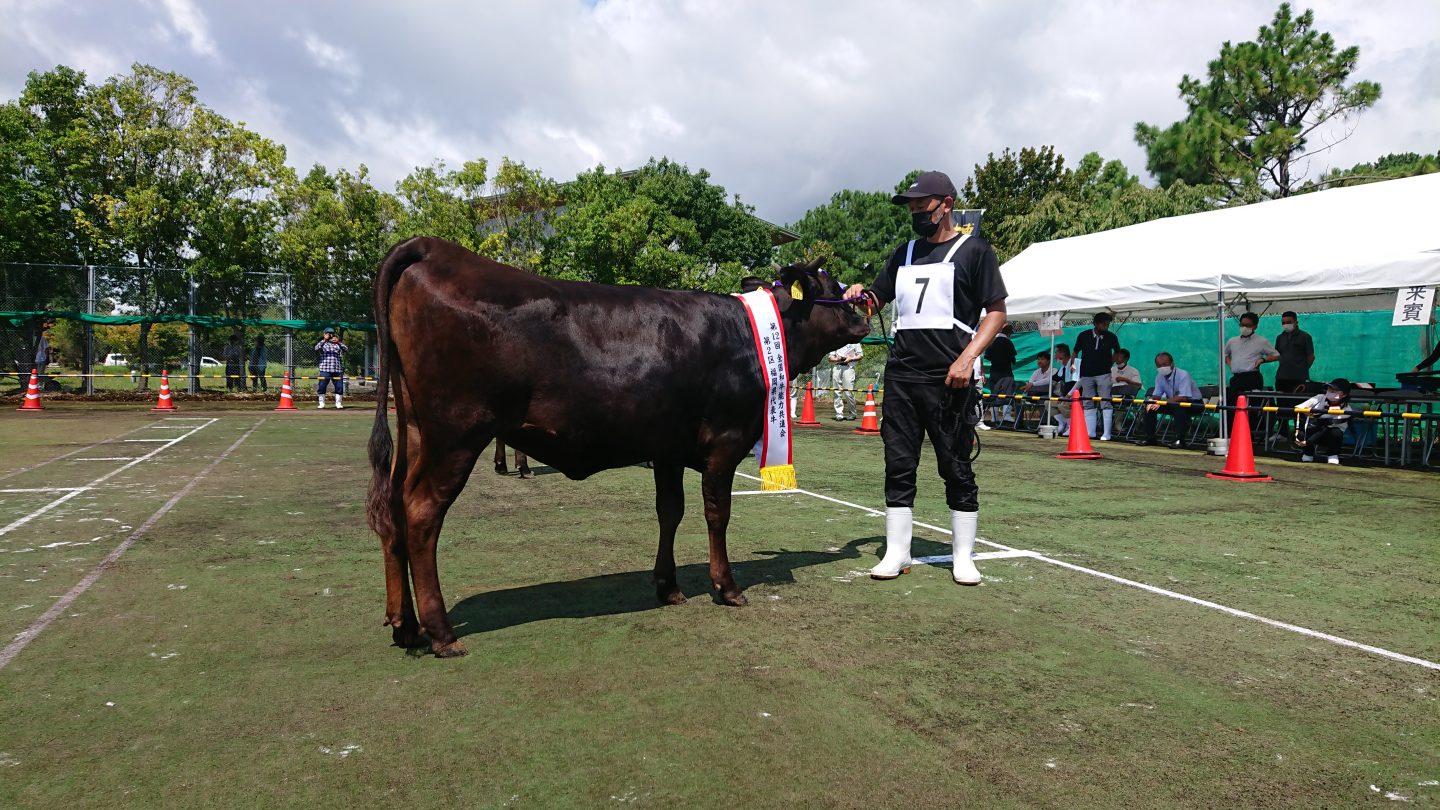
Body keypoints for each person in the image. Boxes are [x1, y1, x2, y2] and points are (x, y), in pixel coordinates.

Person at [842, 170, 1007, 586]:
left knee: (956, 468)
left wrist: (968, 358)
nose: (916, 214)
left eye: (922, 207)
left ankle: (963, 556)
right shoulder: (905, 252)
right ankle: (897, 552)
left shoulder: (975, 251)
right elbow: (874, 301)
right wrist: (858, 295)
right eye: (912, 208)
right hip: (902, 377)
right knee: (898, 465)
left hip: (950, 381)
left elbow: (997, 313)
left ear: (946, 204)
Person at [1134, 352, 1204, 448]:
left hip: (1194, 404)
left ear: (1172, 364)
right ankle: (1150, 438)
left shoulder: (1183, 375)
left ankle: (1179, 440)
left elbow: (1183, 397)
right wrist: (1151, 401)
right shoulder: (1159, 377)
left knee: (1180, 407)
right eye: (1159, 366)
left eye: (1164, 365)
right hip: (1173, 402)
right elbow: (1156, 395)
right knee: (1149, 407)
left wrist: (1161, 402)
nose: (1162, 368)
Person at [1224, 311, 1280, 429]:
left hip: (1252, 377)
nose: (1244, 328)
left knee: (1252, 407)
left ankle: (1251, 432)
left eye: (1248, 325)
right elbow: (1225, 354)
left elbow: (1276, 355)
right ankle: (1230, 431)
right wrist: (1231, 364)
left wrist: (1263, 360)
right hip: (1237, 377)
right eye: (1242, 324)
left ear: (1255, 326)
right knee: (1231, 405)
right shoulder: (1233, 341)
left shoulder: (1261, 341)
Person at [1072, 313, 1121, 441]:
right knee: (1088, 402)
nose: (1106, 326)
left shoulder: (1111, 337)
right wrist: (1074, 365)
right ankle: (1090, 432)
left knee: (1105, 401)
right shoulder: (1083, 336)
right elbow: (1076, 351)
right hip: (1086, 374)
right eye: (1104, 324)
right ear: (1096, 323)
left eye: (1108, 324)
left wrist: (1111, 363)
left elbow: (1117, 351)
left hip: (1104, 373)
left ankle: (1106, 433)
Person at [1294, 378, 1354, 464]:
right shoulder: (1319, 397)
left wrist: (1308, 441)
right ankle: (1308, 453)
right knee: (1300, 432)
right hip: (1313, 429)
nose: (1330, 392)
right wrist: (1306, 411)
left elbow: (1326, 425)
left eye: (1335, 390)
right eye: (1330, 389)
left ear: (1344, 395)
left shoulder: (1347, 409)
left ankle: (1333, 454)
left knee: (1336, 432)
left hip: (1328, 436)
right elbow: (1298, 408)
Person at [984, 322, 1017, 426]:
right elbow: (1012, 358)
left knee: (994, 393)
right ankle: (1006, 415)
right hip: (1006, 372)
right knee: (1008, 392)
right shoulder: (1008, 342)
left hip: (994, 371)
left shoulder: (992, 342)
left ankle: (994, 417)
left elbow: (987, 356)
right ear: (1009, 332)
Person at [1021, 350, 1058, 432]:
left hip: (1050, 394)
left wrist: (1033, 385)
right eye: (1038, 359)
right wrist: (1032, 385)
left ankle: (1045, 423)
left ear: (1048, 361)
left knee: (1043, 395)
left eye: (1042, 359)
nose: (1039, 361)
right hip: (1035, 394)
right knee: (1019, 398)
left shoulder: (1054, 370)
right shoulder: (1036, 372)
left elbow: (1048, 381)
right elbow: (1030, 383)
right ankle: (1019, 423)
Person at [829, 341, 863, 420]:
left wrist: (851, 358)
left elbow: (860, 355)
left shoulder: (855, 341)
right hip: (837, 367)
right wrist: (837, 359)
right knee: (837, 391)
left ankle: (852, 413)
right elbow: (830, 357)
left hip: (849, 367)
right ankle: (839, 413)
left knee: (848, 392)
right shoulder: (836, 340)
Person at [315, 326, 346, 409]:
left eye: (331, 333)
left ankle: (338, 403)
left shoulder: (337, 344)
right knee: (322, 386)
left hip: (337, 369)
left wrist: (338, 342)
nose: (330, 335)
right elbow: (316, 348)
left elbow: (346, 349)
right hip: (325, 369)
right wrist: (325, 340)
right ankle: (321, 403)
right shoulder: (322, 343)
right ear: (324, 334)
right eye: (328, 333)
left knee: (339, 387)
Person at [1052, 343, 1076, 436]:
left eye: (1056, 352)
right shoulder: (1062, 367)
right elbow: (1054, 378)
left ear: (1062, 353)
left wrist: (1068, 395)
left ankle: (1071, 426)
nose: (1055, 355)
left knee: (1063, 405)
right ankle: (1062, 424)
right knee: (1048, 403)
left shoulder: (1074, 364)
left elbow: (1078, 382)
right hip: (1064, 396)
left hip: (1074, 397)